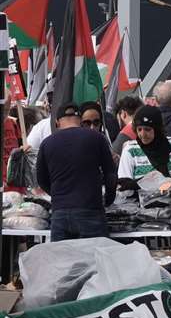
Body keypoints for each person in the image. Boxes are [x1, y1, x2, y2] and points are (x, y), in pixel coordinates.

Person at [37, 103, 118, 241]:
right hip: (91, 211)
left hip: (60, 213)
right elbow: (111, 174)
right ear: (80, 120)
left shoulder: (47, 143)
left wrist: (58, 194)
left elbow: (41, 179)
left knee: (63, 261)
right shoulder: (97, 138)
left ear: (57, 123)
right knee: (95, 259)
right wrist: (108, 199)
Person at [117, 104, 171, 193]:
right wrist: (148, 182)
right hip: (142, 203)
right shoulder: (131, 150)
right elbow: (124, 185)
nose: (143, 134)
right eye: (139, 129)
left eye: (147, 129)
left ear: (157, 129)